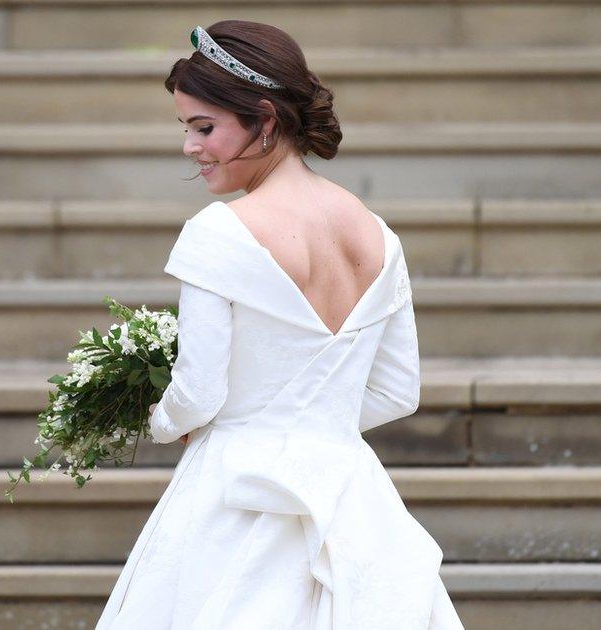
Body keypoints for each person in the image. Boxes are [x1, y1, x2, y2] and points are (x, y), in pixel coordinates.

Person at [95, 20, 464, 630]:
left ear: (265, 120)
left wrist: (163, 423)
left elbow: (201, 392)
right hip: (349, 492)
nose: (191, 147)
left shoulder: (220, 231)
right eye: (187, 128)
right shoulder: (379, 235)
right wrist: (317, 423)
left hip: (235, 492)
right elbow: (399, 391)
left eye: (204, 128)